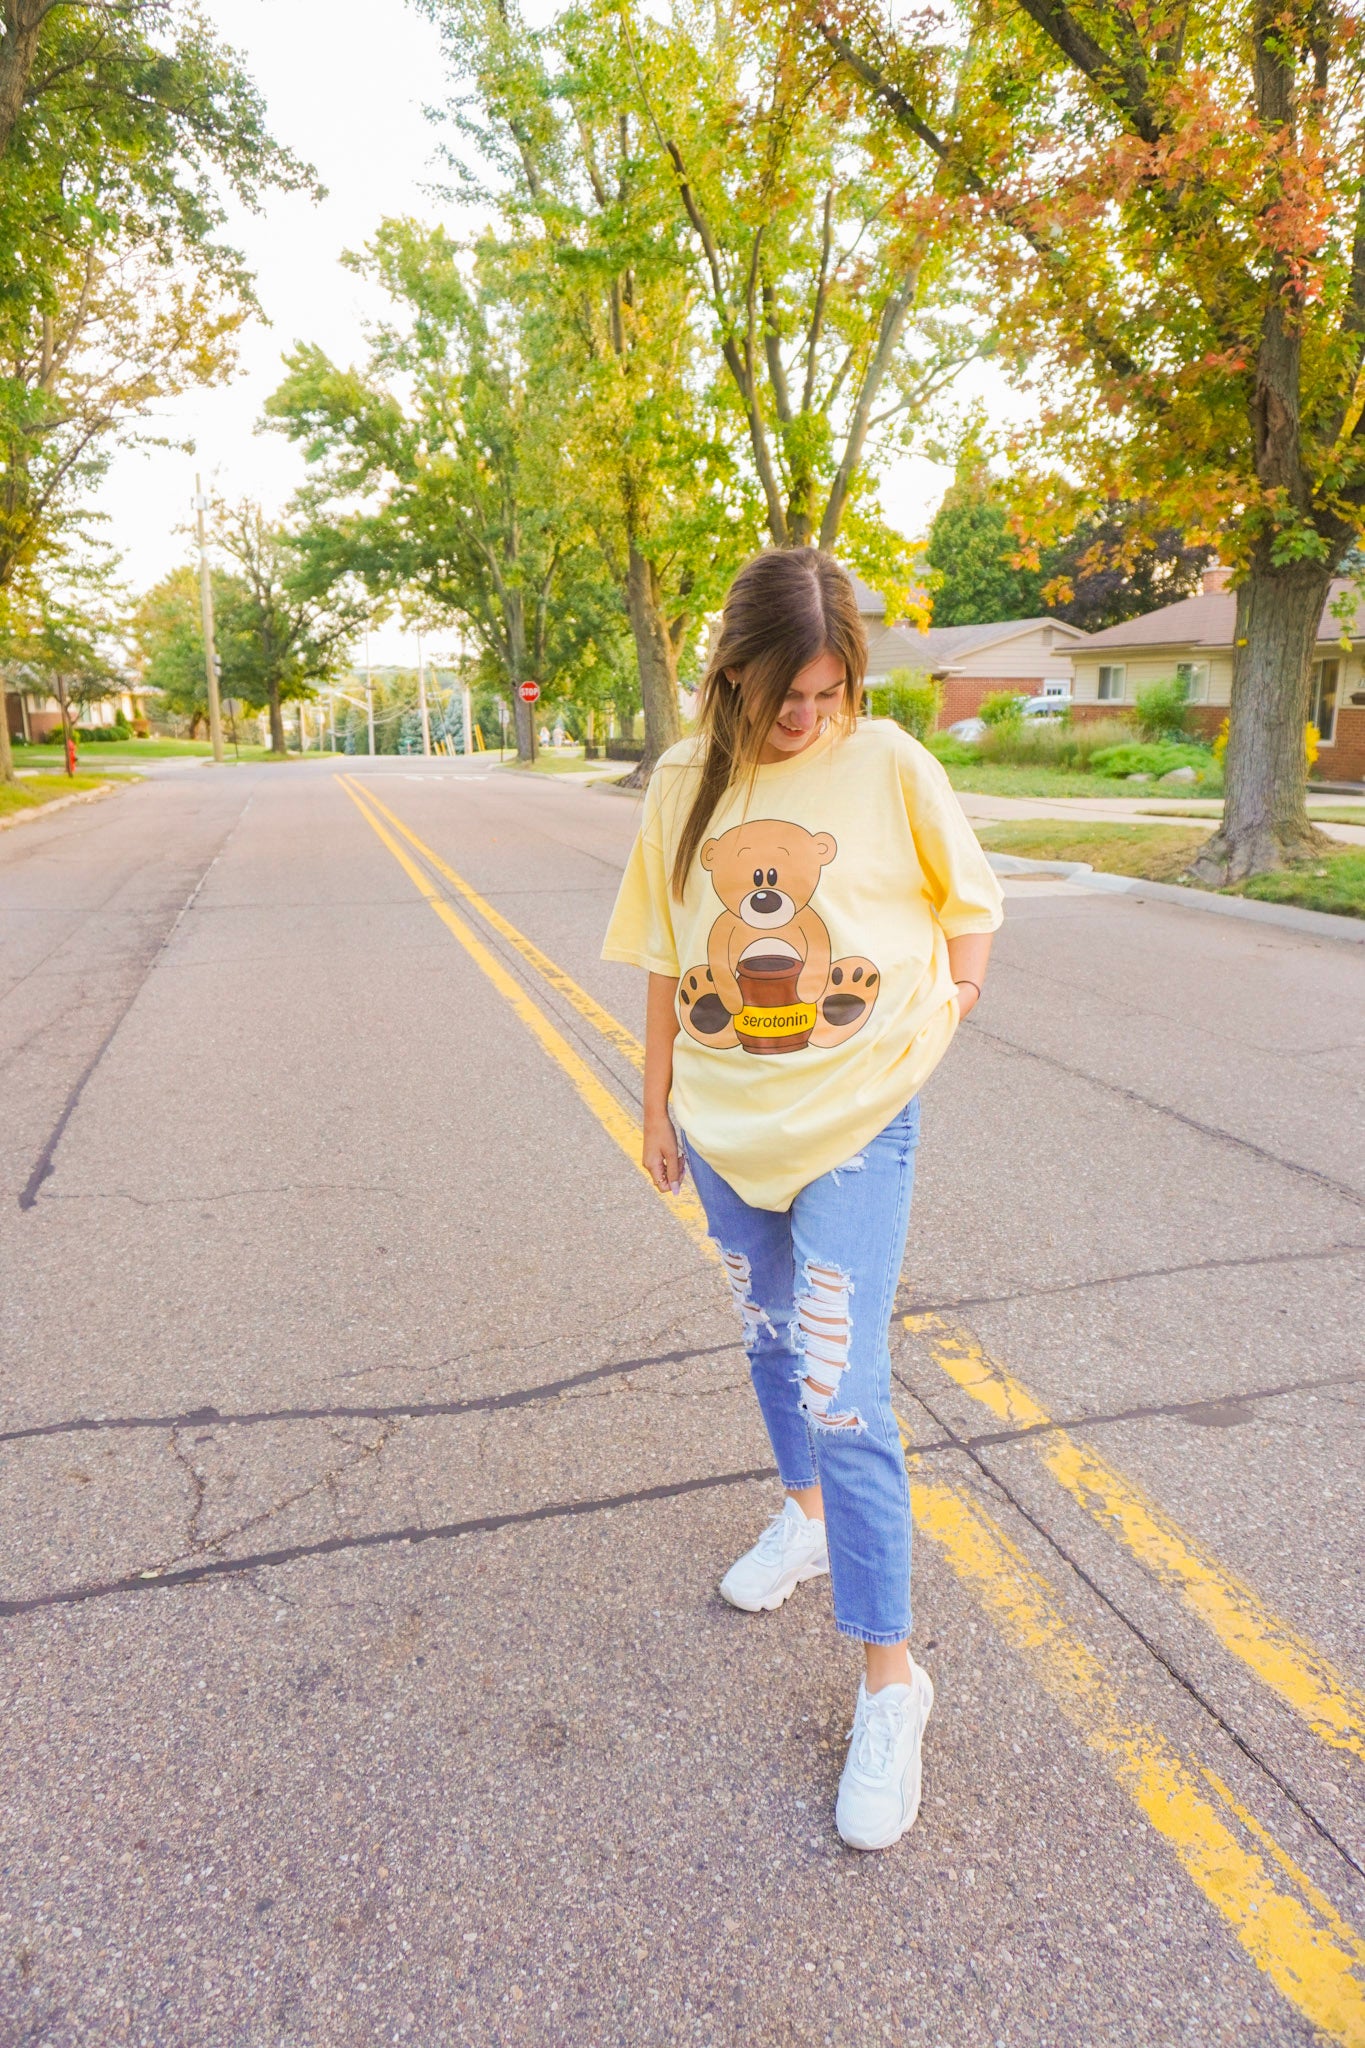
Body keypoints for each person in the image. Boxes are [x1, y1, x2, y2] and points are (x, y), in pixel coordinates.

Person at [602, 548, 1003, 1851]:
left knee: (843, 1381)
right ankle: (805, 1514)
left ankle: (892, 1683)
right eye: (788, 697)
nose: (808, 717)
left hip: (856, 1123)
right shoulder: (683, 780)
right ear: (735, 674)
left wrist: (948, 1006)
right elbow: (667, 962)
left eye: (829, 694)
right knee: (768, 1336)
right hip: (725, 1126)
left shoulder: (888, 763)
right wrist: (653, 1104)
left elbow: (969, 904)